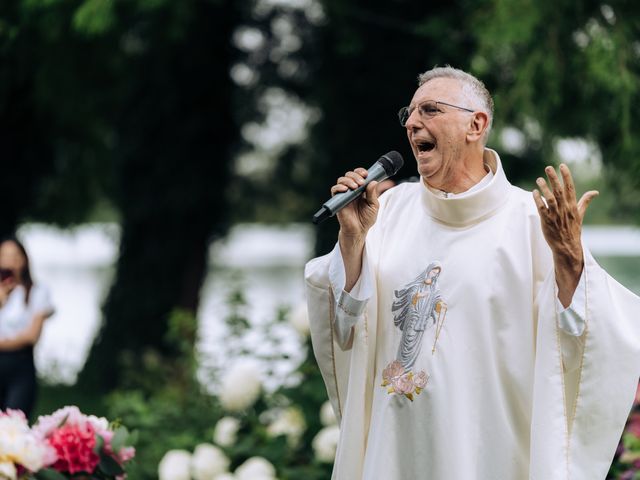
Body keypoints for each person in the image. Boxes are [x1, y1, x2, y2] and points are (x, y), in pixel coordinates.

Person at [304, 66, 640, 479]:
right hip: (394, 453)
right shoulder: (384, 213)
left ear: (475, 125)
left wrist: (571, 257)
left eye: (429, 110)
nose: (412, 124)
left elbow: (586, 339)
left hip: (488, 453)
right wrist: (353, 241)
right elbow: (345, 331)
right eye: (408, 114)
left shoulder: (532, 222)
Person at [0, 237, 54, 418]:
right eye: (5, 256)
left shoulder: (37, 291)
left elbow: (31, 336)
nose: (10, 261)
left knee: (13, 425)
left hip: (20, 366)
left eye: (15, 256)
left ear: (24, 259)